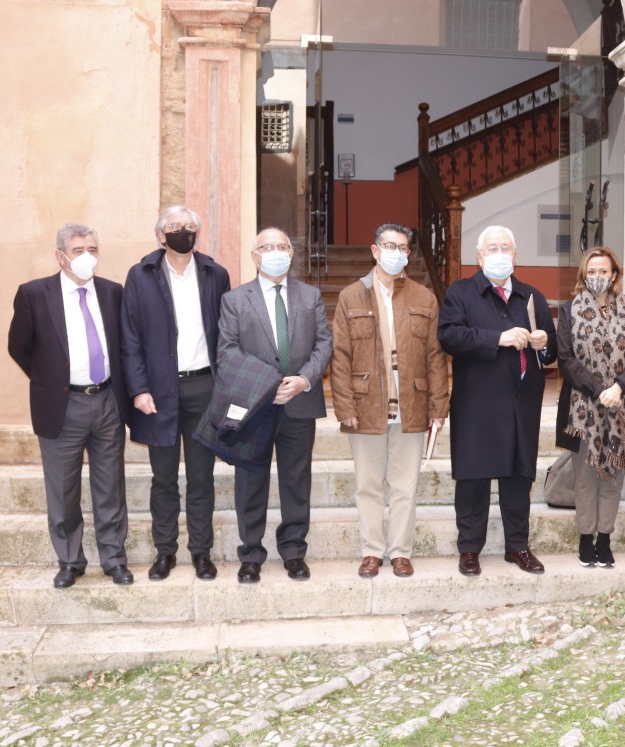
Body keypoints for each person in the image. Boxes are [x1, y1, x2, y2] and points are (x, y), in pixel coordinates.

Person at [7, 224, 133, 588]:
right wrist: (51, 381)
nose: (86, 256)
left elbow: (122, 344)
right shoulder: (34, 294)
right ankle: (70, 561)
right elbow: (19, 346)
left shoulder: (112, 292)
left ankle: (114, 559)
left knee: (111, 488)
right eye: (78, 250)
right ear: (60, 255)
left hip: (107, 400)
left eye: (92, 249)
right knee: (63, 490)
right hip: (62, 405)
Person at [330, 224, 449, 578]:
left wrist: (438, 408)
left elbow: (435, 358)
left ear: (409, 253)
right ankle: (371, 551)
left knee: (404, 486)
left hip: (411, 406)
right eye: (388, 245)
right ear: (375, 250)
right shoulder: (351, 296)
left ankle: (400, 551)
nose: (396, 252)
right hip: (366, 406)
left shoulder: (424, 298)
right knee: (367, 485)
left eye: (402, 247)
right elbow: (340, 356)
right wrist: (345, 407)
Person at [438, 225, 557, 576]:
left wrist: (543, 343)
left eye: (506, 247)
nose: (500, 253)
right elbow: (450, 335)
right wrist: (498, 338)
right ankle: (470, 549)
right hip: (478, 402)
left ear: (515, 255)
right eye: (493, 248)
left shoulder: (531, 296)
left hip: (522, 401)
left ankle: (517, 546)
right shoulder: (461, 293)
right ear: (479, 256)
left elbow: (552, 349)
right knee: (473, 477)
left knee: (519, 477)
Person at [216, 227, 333, 583]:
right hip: (255, 406)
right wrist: (267, 386)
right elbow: (227, 351)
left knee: (297, 480)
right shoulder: (235, 300)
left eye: (283, 246)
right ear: (255, 256)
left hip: (299, 401)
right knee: (250, 481)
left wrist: (303, 380)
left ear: (291, 254)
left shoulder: (310, 296)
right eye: (268, 247)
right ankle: (250, 555)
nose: (277, 252)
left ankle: (294, 552)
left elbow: (324, 345)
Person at [121, 206, 231, 582]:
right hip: (159, 391)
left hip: (205, 387)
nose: (183, 231)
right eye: (174, 227)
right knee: (163, 478)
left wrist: (226, 387)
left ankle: (201, 552)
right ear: (160, 235)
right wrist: (139, 388)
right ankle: (164, 551)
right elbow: (130, 338)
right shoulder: (141, 276)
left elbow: (227, 335)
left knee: (202, 477)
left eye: (189, 227)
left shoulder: (216, 274)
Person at [556, 247, 625, 568]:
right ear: (583, 275)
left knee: (612, 474)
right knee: (586, 477)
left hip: (623, 405)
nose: (597, 277)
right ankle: (586, 538)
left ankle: (605, 539)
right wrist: (601, 390)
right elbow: (565, 358)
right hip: (582, 407)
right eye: (592, 271)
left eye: (604, 271)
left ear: (614, 275)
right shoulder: (569, 310)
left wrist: (619, 387)